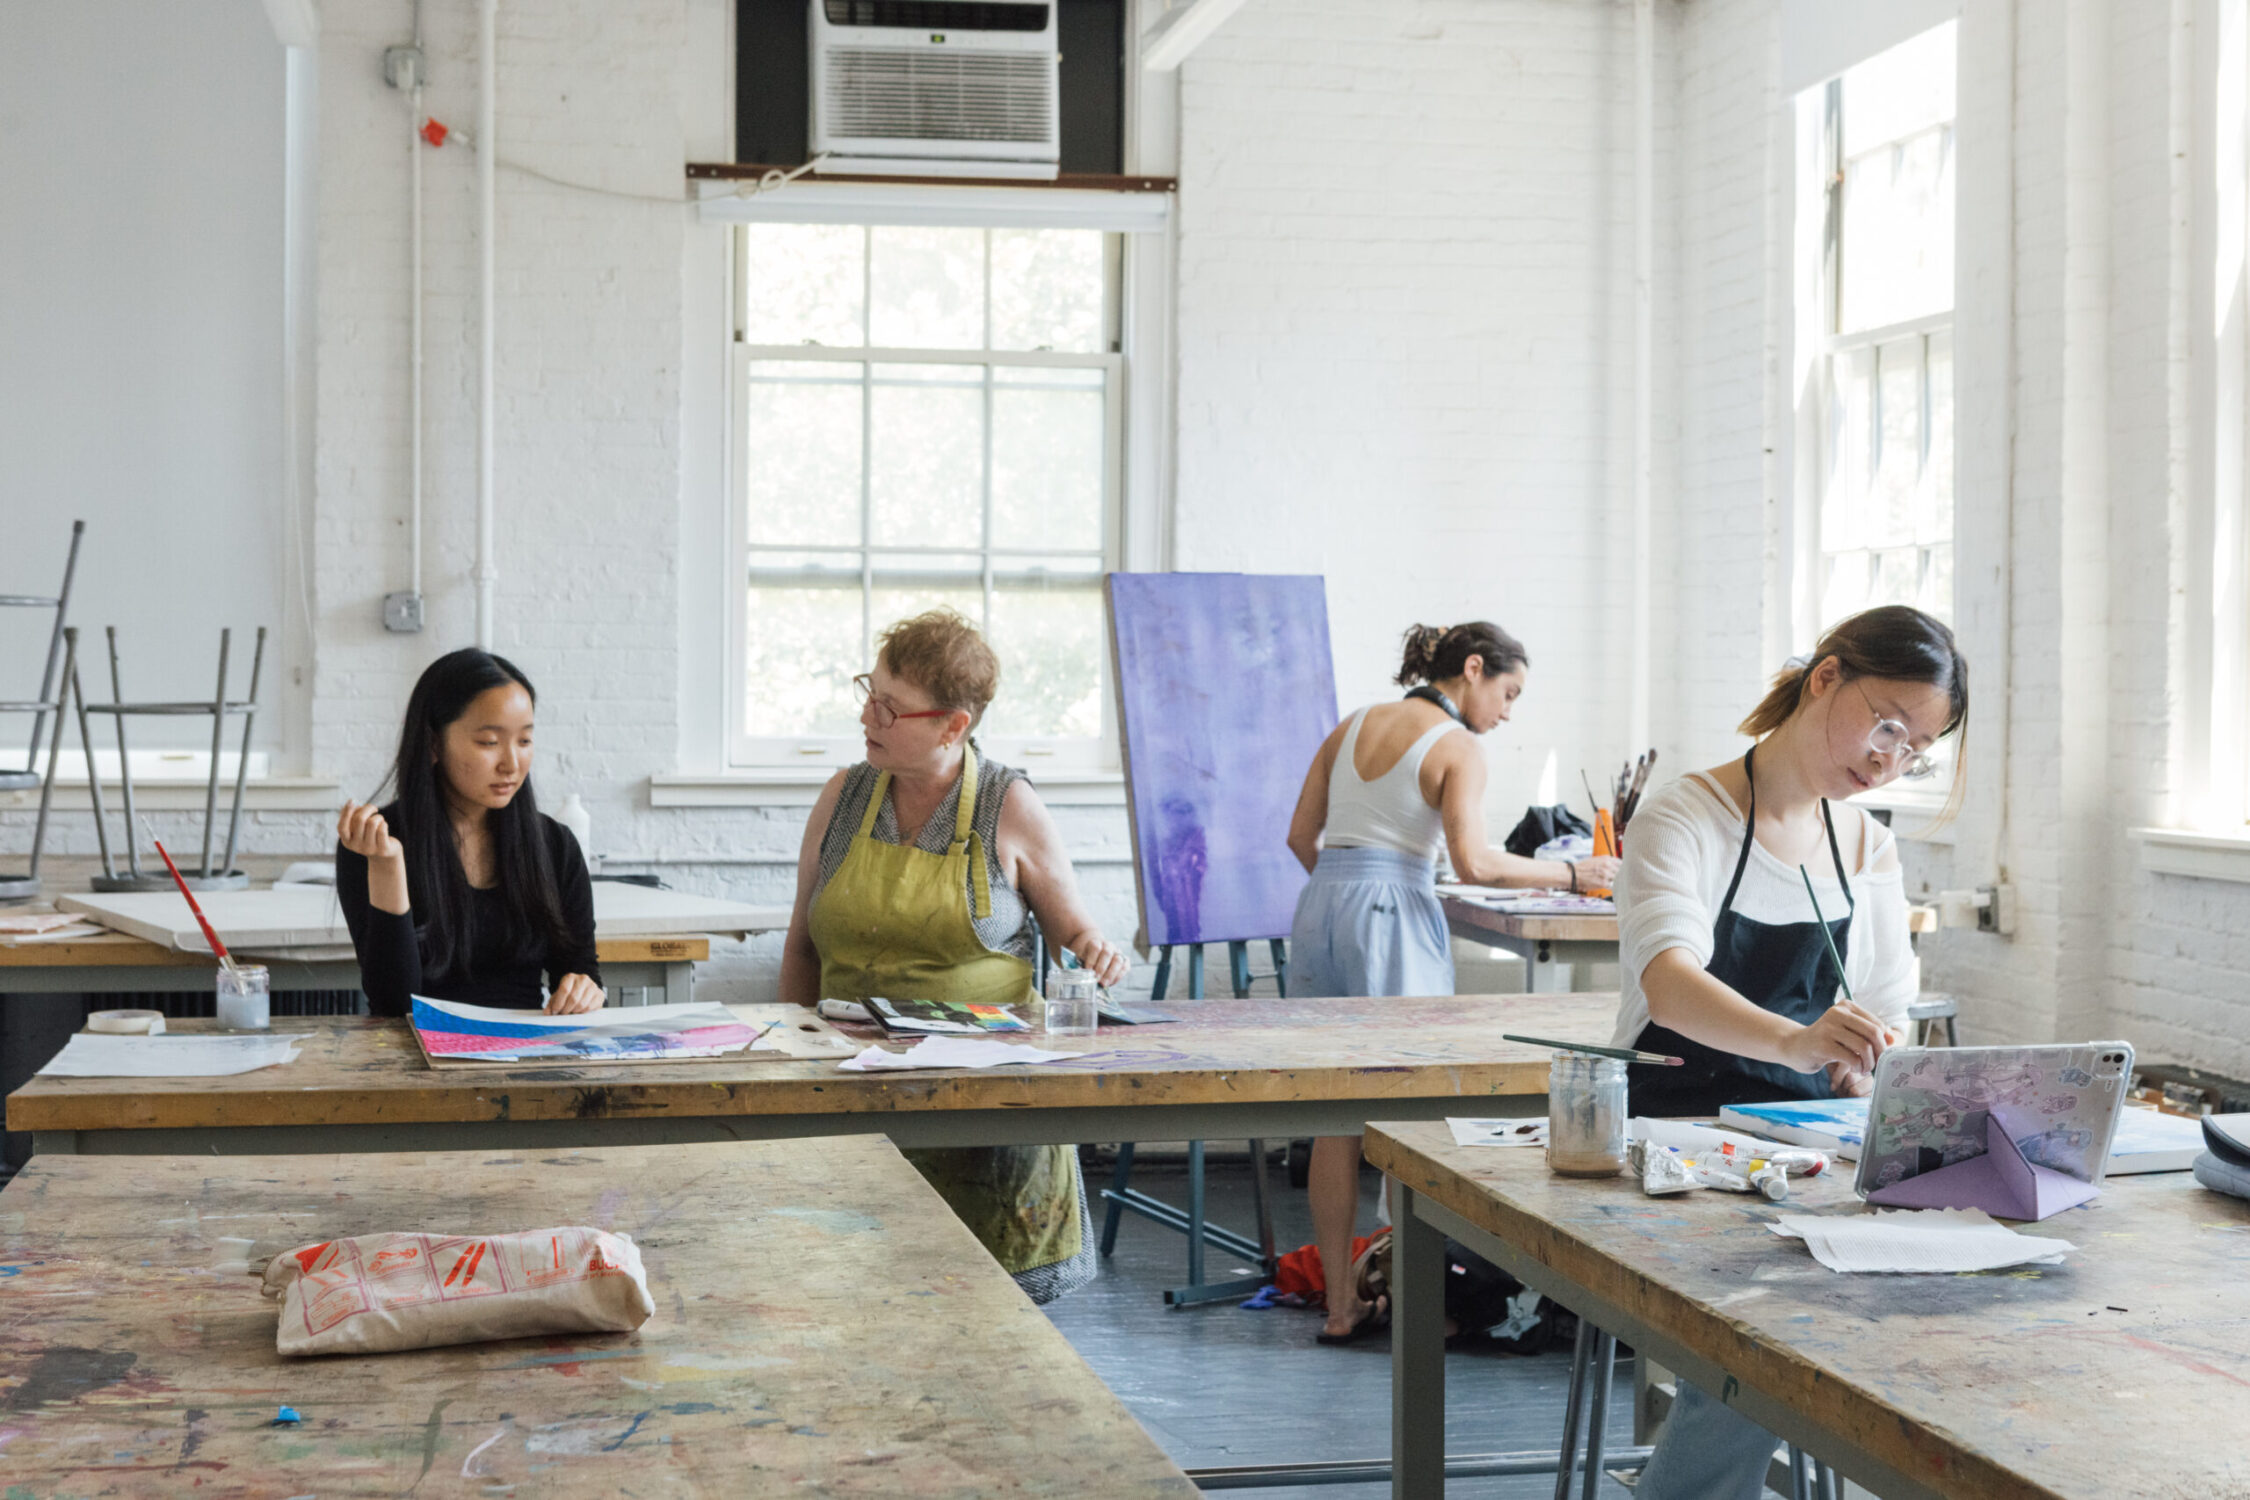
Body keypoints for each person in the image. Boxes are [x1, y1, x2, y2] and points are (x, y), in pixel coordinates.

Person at [1616, 604, 1967, 1500]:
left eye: (1916, 748)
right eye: (1888, 725)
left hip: (1807, 1140)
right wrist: (1798, 1040)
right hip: (1674, 1142)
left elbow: (1886, 1012)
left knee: (1932, 1295)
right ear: (1825, 678)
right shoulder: (1685, 816)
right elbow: (1669, 983)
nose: (1890, 759)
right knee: (1769, 1325)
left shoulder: (1866, 844)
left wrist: (1861, 1057)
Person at [1284, 621, 1622, 1344]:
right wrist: (1574, 873)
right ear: (1472, 669)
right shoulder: (1456, 745)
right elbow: (1475, 864)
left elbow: (1298, 837)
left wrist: (1349, 892)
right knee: (1415, 1105)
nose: (1507, 713)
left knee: (1332, 1111)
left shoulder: (1350, 725)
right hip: (1391, 907)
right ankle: (1417, 1299)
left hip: (1320, 908)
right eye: (1508, 692)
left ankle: (1343, 1305)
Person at [779, 609, 1129, 1304]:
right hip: (855, 1099)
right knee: (857, 1307)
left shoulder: (1010, 805)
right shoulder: (842, 798)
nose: (867, 716)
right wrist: (787, 1066)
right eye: (868, 692)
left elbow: (1076, 939)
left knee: (991, 1332)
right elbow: (800, 947)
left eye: (891, 706)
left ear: (952, 726)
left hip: (983, 1113)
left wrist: (1092, 950)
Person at [336, 648, 601, 1018]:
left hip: (526, 1054)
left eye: (524, 741)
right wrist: (386, 866)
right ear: (433, 744)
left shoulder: (554, 845)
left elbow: (580, 972)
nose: (511, 763)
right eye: (489, 742)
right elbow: (394, 1004)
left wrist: (584, 990)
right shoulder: (375, 843)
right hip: (415, 1058)